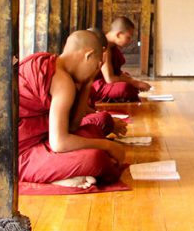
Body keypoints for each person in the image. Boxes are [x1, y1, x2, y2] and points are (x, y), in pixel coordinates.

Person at [18, 29, 128, 189]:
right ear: (88, 55)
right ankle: (52, 178)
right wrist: (108, 146)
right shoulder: (62, 82)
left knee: (93, 131)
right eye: (97, 64)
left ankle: (59, 173)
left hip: (41, 141)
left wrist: (88, 82)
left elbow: (72, 127)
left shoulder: (55, 67)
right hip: (18, 154)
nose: (97, 70)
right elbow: (59, 143)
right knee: (97, 159)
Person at [89, 16, 151, 105]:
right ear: (118, 34)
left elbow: (116, 73)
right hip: (95, 86)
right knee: (125, 88)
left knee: (127, 78)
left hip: (105, 82)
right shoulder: (104, 46)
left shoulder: (113, 47)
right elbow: (110, 79)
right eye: (128, 37)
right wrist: (135, 83)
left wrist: (133, 81)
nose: (130, 41)